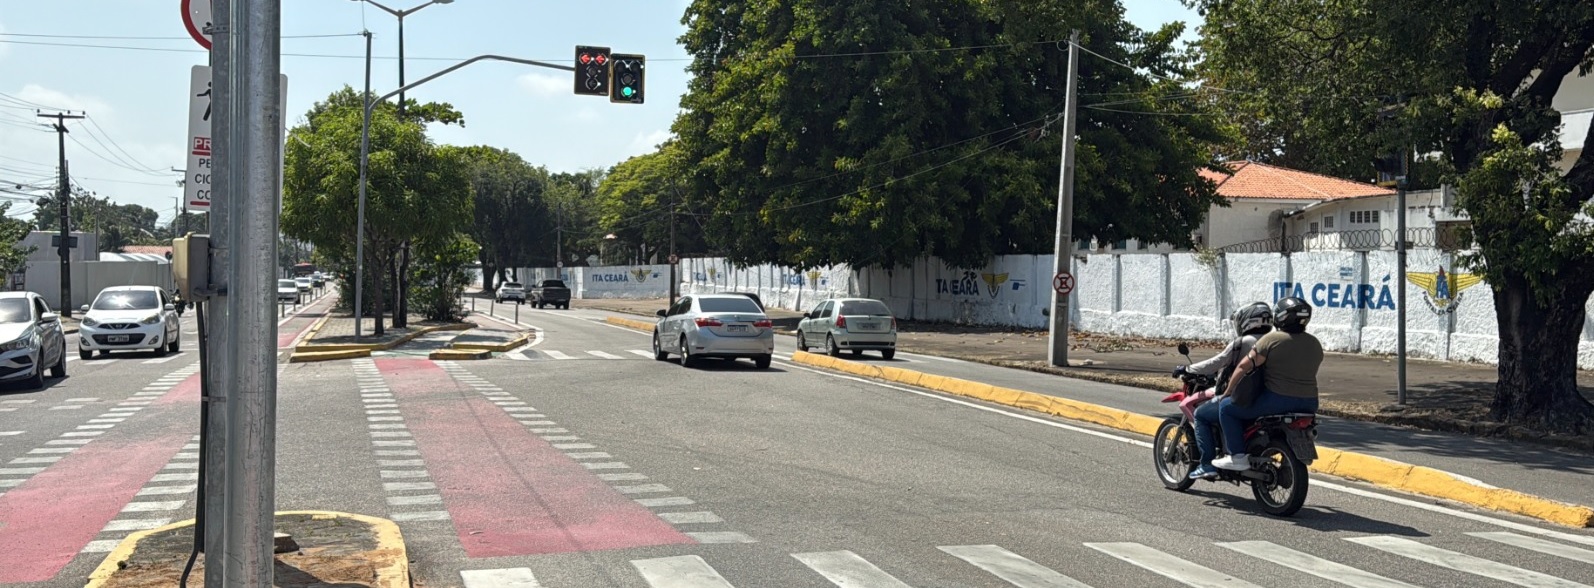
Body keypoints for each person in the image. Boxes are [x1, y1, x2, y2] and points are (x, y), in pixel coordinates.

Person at [1209, 296, 1323, 473]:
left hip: (1277, 400)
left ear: (1281, 317)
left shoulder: (1272, 339)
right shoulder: (1314, 343)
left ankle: (1237, 456)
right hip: (1310, 403)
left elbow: (1242, 367)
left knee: (1226, 408)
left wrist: (1228, 391)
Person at [1176, 301, 1272, 479]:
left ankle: (1206, 464)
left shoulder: (1242, 342)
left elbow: (1217, 362)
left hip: (1242, 397)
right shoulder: (1274, 340)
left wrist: (1188, 369)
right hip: (1267, 398)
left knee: (1201, 415)